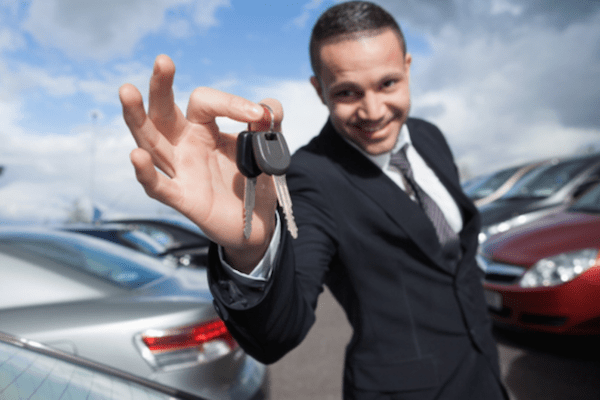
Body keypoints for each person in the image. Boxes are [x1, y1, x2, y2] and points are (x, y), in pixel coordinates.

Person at [120, 2, 508, 399]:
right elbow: (278, 333)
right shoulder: (310, 177)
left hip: (484, 374)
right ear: (318, 90)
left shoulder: (430, 137)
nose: (373, 111)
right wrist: (251, 249)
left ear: (408, 67)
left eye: (387, 83)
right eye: (347, 92)